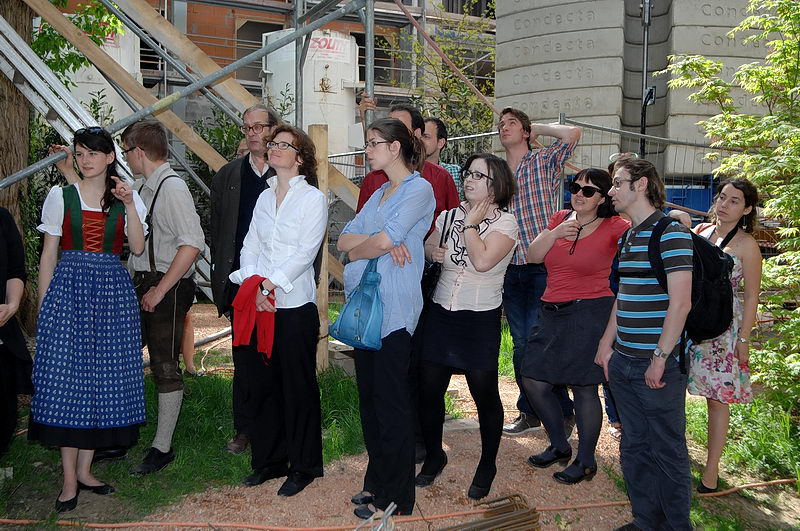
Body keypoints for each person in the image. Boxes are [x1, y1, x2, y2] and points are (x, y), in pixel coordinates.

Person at [29, 128, 147, 512]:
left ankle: (85, 470)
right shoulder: (61, 197)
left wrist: (129, 204)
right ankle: (68, 479)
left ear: (110, 157)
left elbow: (138, 246)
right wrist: (46, 306)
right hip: (70, 292)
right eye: (80, 154)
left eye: (93, 153)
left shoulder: (126, 197)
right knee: (69, 381)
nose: (86, 160)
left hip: (112, 294)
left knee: (102, 379)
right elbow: (48, 255)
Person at [338, 117, 435, 519]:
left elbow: (374, 241)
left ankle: (397, 496)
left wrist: (373, 245)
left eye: (373, 143)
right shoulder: (378, 192)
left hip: (394, 311)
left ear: (395, 148)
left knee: (391, 404)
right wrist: (376, 244)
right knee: (370, 401)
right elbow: (344, 239)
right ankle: (376, 482)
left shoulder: (420, 189)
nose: (367, 150)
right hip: (366, 311)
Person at [595, 158, 694, 531]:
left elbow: (680, 303)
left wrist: (660, 357)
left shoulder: (671, 233)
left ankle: (676, 525)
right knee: (634, 445)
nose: (611, 191)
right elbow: (623, 296)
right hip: (623, 361)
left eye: (618, 182)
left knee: (666, 448)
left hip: (658, 365)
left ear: (641, 185)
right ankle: (645, 520)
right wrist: (606, 344)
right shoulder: (627, 236)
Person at [228, 124, 327, 496]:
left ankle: (303, 466)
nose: (274, 148)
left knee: (297, 388)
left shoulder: (312, 199)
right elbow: (250, 245)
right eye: (273, 143)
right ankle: (269, 462)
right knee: (261, 384)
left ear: (300, 157)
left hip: (293, 306)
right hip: (259, 303)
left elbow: (305, 253)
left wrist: (268, 285)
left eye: (284, 144)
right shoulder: (263, 198)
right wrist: (254, 285)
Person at [417, 153, 517, 500]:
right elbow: (429, 245)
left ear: (496, 185)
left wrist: (471, 226)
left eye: (478, 175)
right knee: (428, 390)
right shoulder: (448, 215)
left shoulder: (507, 224)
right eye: (468, 173)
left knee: (484, 393)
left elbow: (483, 260)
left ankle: (487, 464)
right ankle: (434, 454)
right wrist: (432, 251)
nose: (469, 180)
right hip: (440, 312)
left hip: (479, 316)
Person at [522, 169, 629, 484]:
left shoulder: (615, 226)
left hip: (590, 311)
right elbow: (532, 256)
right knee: (533, 380)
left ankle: (586, 461)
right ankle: (559, 444)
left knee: (584, 388)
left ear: (603, 198)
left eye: (589, 190)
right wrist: (555, 233)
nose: (579, 194)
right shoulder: (560, 218)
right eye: (575, 186)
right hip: (551, 310)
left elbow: (646, 231)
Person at [122, 120, 205, 476]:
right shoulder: (141, 187)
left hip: (166, 286)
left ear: (139, 152)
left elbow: (192, 244)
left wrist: (160, 289)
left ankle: (162, 447)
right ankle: (121, 433)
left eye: (127, 151)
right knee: (124, 356)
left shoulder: (172, 188)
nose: (126, 157)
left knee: (164, 365)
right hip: (144, 282)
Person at [498, 107, 581, 437]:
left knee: (542, 340)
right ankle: (532, 411)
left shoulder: (543, 161)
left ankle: (561, 410)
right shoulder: (497, 173)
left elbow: (572, 134)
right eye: (501, 124)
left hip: (543, 266)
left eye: (512, 123)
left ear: (525, 132)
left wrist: (537, 128)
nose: (504, 127)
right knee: (521, 343)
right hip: (509, 267)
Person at [210, 104, 281, 455]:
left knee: (278, 357)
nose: (253, 133)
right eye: (247, 127)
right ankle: (245, 429)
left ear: (274, 129)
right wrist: (224, 284)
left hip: (281, 283)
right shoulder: (227, 176)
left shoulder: (292, 173)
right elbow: (219, 233)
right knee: (245, 359)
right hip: (242, 285)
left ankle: (278, 426)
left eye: (260, 126)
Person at [688, 178, 761, 494]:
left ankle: (711, 469)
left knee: (717, 400)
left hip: (723, 328)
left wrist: (744, 339)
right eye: (722, 197)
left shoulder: (747, 244)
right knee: (675, 389)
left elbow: (752, 295)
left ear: (746, 209)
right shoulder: (700, 232)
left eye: (734, 201)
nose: (724, 204)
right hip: (692, 320)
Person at [355, 100, 458, 225]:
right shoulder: (372, 180)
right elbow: (358, 225)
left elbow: (454, 221)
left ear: (417, 133)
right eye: (388, 127)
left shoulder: (440, 177)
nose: (391, 133)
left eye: (399, 127)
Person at [0, 207, 31, 457]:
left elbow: (15, 270)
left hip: (2, 333)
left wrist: (12, 305)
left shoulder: (3, 219)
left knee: (5, 414)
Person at [421, 117, 463, 200]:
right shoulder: (407, 172)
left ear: (440, 142)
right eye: (419, 136)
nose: (420, 140)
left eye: (426, 136)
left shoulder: (454, 172)